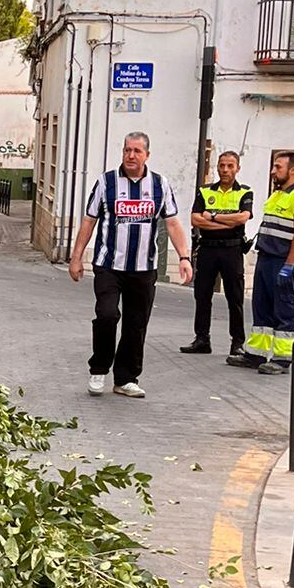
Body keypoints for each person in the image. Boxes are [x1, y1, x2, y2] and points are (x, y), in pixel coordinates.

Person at [69, 130, 193, 399]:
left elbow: (172, 223)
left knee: (136, 324)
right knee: (107, 314)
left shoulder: (160, 185)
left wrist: (184, 257)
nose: (131, 156)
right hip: (109, 266)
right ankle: (99, 369)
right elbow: (89, 221)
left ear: (147, 155)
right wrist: (76, 258)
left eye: (137, 151)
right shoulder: (107, 183)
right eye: (127, 150)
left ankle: (126, 378)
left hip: (143, 269)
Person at [242, 150, 294, 375]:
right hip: (265, 257)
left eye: (278, 167)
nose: (273, 171)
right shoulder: (277, 194)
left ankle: (283, 358)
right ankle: (257, 353)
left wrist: (289, 264)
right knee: (261, 307)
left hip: (282, 260)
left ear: (292, 170)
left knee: (284, 307)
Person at [181, 149, 252, 363]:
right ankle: (202, 339)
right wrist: (225, 221)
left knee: (235, 298)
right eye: (222, 166)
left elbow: (242, 218)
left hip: (232, 250)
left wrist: (211, 216)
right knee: (202, 295)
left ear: (237, 168)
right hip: (208, 249)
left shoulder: (245, 192)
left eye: (230, 166)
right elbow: (195, 220)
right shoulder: (204, 191)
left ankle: (237, 343)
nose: (225, 170)